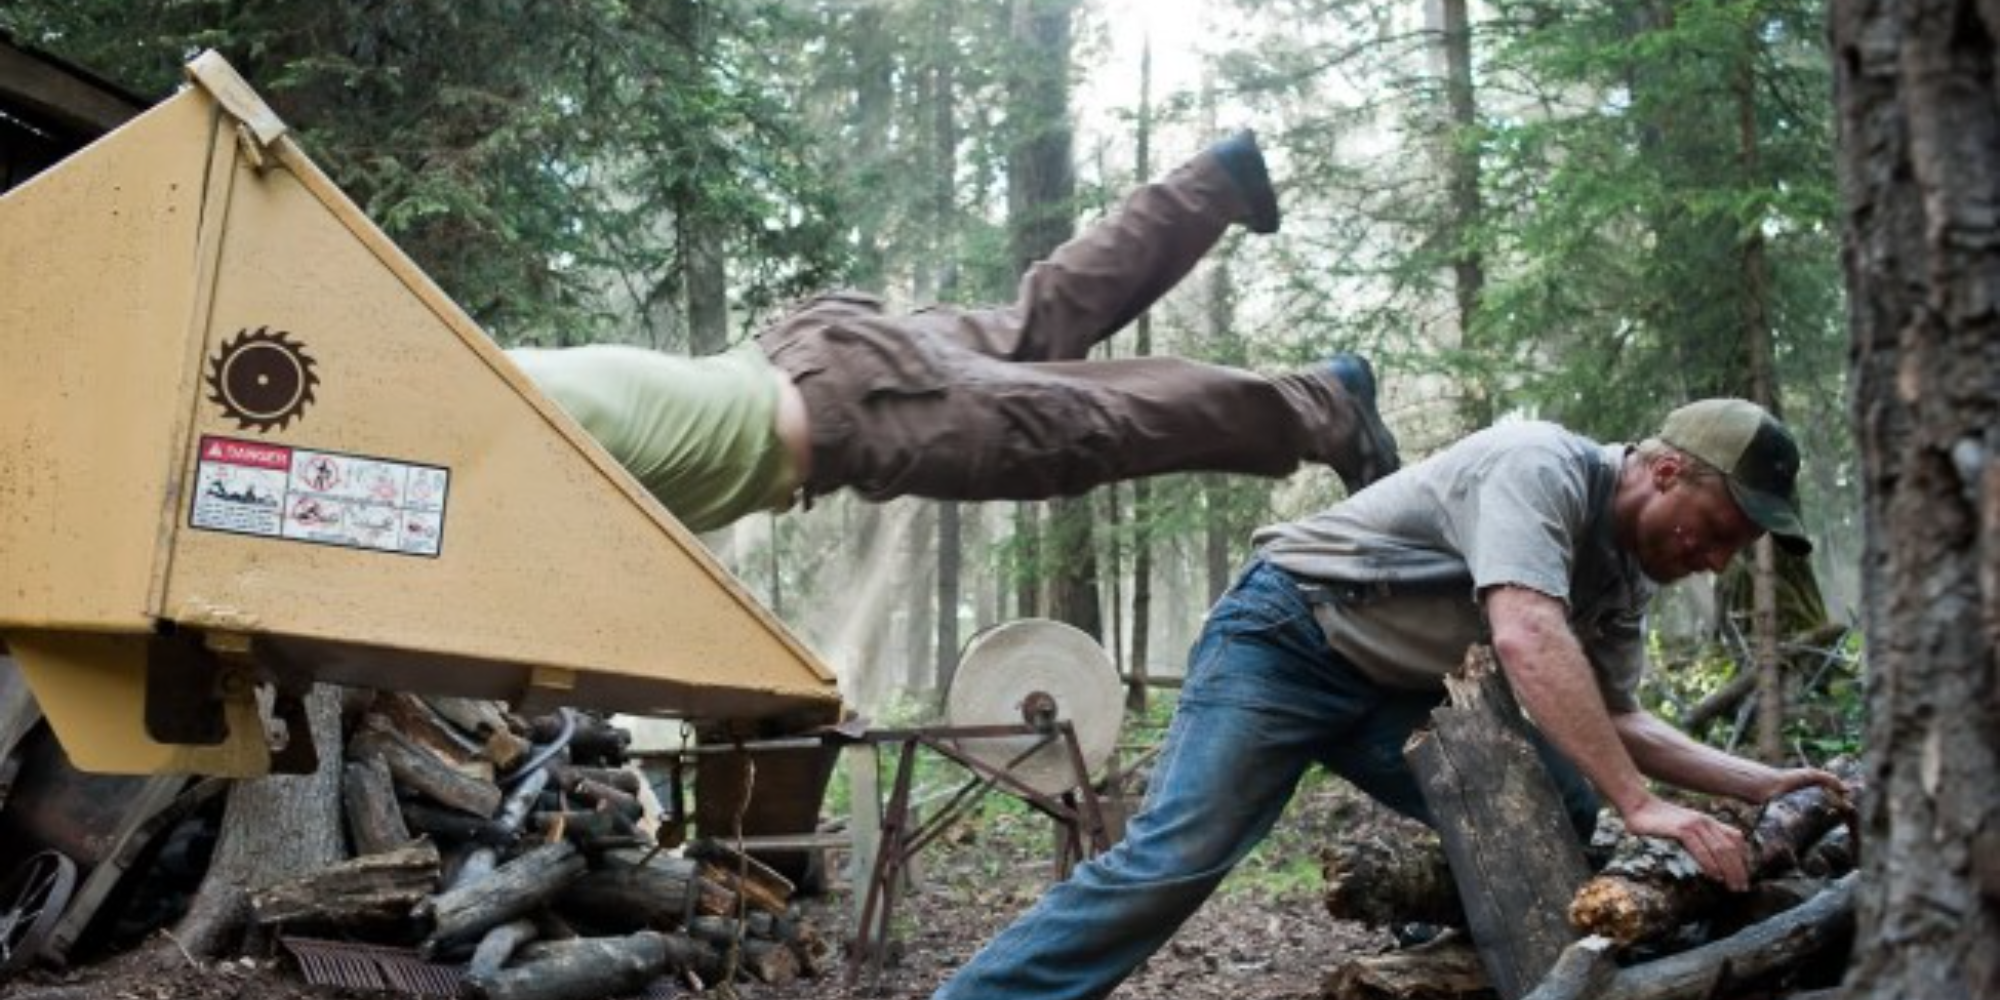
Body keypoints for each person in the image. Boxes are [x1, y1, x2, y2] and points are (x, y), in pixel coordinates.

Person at [932, 397, 1851, 1000]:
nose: (1717, 558)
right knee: (1175, 860)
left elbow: (1620, 718)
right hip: (1285, 636)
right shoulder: (1538, 466)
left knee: (1560, 815)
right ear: (1665, 474)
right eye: (1719, 531)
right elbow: (1527, 632)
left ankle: (1440, 971)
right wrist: (1644, 807)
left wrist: (1760, 784)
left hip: (1395, 693)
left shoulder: (1622, 573)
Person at [508, 131, 1401, 532]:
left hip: (858, 408)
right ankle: (1212, 182)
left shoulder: (487, 425)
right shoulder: (488, 381)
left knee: (1080, 431)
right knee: (1039, 322)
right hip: (817, 353)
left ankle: (1321, 402)